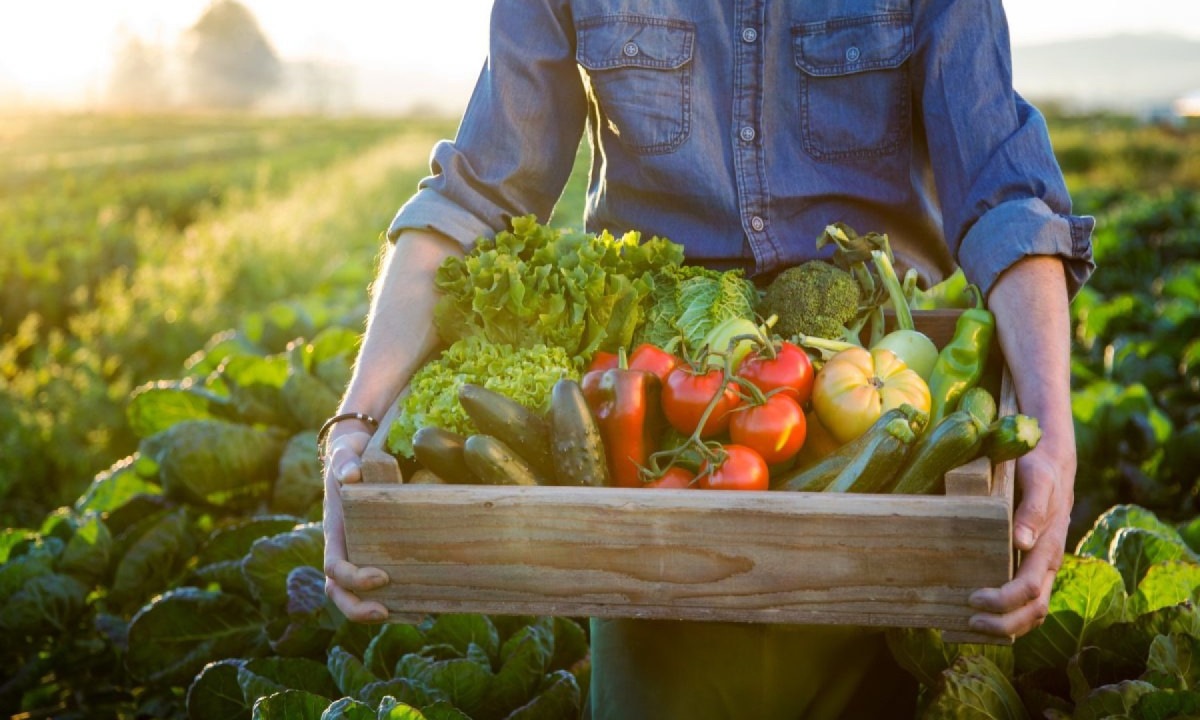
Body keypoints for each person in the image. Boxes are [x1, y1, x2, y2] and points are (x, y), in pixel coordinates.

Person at [321, 0, 1094, 717]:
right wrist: (355, 423)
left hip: (890, 422)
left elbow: (1007, 199)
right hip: (655, 451)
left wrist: (1052, 432)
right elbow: (470, 201)